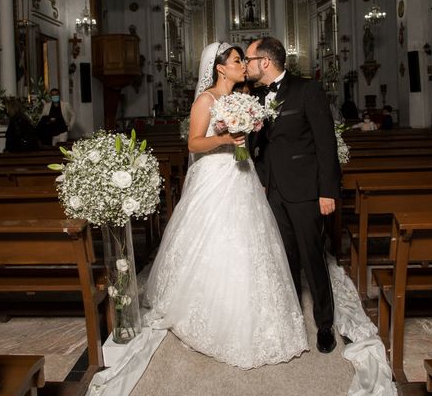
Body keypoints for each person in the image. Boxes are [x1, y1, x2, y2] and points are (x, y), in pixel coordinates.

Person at [143, 42, 308, 369]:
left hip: (241, 176)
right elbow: (193, 143)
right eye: (236, 60)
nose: (242, 64)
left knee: (250, 243)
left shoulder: (242, 100)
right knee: (216, 242)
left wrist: (246, 130)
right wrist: (223, 139)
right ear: (220, 68)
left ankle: (255, 311)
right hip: (214, 176)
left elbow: (249, 140)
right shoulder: (205, 100)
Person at [246, 36, 341, 354]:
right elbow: (258, 146)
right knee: (284, 259)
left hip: (305, 191)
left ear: (265, 62)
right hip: (272, 192)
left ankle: (325, 324)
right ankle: (289, 319)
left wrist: (327, 191)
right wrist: (259, 178)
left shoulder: (307, 90)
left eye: (248, 60)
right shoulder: (256, 96)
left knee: (313, 258)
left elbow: (326, 143)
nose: (246, 65)